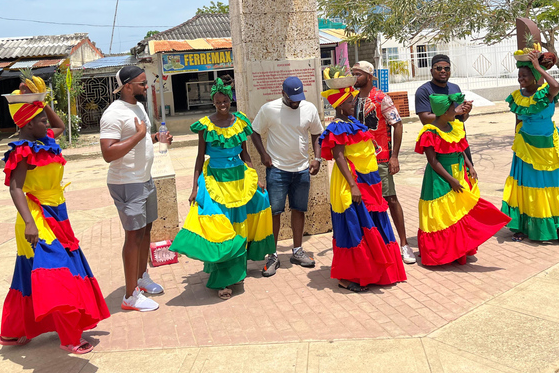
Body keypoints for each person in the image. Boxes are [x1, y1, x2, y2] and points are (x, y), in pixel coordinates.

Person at [0, 87, 109, 354]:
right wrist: (29, 223)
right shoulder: (23, 151)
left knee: (31, 274)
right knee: (58, 274)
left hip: (58, 213)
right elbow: (15, 188)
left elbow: (59, 125)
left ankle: (14, 332)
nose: (47, 124)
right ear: (26, 124)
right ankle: (70, 337)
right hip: (36, 216)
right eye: (41, 120)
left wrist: (41, 102)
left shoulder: (44, 139)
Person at [170, 78, 275, 299]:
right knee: (220, 228)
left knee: (242, 222)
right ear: (213, 103)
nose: (222, 105)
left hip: (238, 180)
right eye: (218, 102)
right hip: (215, 180)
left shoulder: (240, 122)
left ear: (230, 100)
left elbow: (244, 153)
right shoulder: (205, 126)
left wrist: (255, 178)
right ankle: (222, 279)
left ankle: (236, 272)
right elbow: (200, 157)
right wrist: (194, 187)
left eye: (226, 101)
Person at [319, 83, 406, 292]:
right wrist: (352, 185)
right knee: (353, 227)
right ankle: (346, 277)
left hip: (369, 182)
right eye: (350, 101)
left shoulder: (353, 122)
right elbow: (339, 157)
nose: (353, 103)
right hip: (353, 183)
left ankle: (371, 271)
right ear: (340, 106)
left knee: (371, 224)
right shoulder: (337, 126)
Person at [100, 66, 172, 312]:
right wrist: (140, 136)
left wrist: (154, 139)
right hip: (127, 182)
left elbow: (139, 137)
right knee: (133, 236)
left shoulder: (138, 107)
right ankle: (130, 296)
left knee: (145, 230)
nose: (146, 86)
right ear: (127, 86)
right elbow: (108, 153)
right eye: (142, 83)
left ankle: (141, 277)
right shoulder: (113, 113)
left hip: (143, 179)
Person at [415, 93, 511, 266]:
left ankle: (459, 249)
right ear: (444, 112)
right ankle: (441, 252)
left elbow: (460, 150)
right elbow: (433, 161)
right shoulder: (429, 132)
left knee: (458, 210)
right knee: (443, 213)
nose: (457, 110)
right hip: (440, 177)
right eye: (454, 108)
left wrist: (470, 166)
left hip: (459, 173)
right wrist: (451, 180)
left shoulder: (454, 126)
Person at [501, 50, 559, 245]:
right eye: (519, 76)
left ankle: (558, 228)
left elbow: (555, 85)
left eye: (525, 75)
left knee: (553, 185)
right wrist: (516, 145)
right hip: (525, 146)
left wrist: (537, 66)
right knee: (528, 186)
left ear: (535, 75)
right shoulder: (517, 97)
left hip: (549, 146)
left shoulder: (546, 93)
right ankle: (523, 226)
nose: (521, 79)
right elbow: (518, 120)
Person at [250, 76, 324, 276]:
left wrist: (317, 158)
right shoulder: (269, 109)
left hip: (301, 170)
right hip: (277, 170)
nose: (296, 102)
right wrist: (263, 155)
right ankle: (272, 255)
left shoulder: (308, 108)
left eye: (298, 98)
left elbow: (317, 133)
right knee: (275, 212)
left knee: (299, 209)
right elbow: (254, 131)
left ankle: (297, 250)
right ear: (283, 93)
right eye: (292, 98)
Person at [351, 61, 415, 265]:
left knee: (390, 198)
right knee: (366, 203)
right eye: (353, 74)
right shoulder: (352, 99)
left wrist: (394, 156)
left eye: (358, 74)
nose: (354, 78)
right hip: (360, 159)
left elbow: (397, 124)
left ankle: (404, 244)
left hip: (380, 158)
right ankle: (376, 245)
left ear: (369, 77)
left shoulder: (381, 98)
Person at [415, 54, 474, 163]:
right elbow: (425, 119)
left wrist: (466, 111)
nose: (443, 71)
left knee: (468, 176)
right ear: (431, 71)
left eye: (446, 68)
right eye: (439, 68)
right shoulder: (424, 91)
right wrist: (455, 112)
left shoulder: (455, 88)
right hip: (441, 146)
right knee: (446, 178)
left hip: (460, 142)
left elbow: (461, 118)